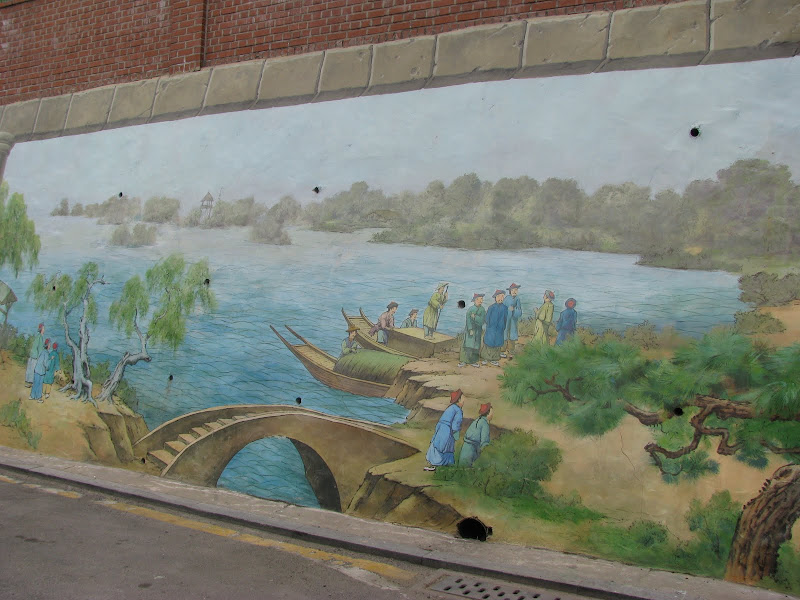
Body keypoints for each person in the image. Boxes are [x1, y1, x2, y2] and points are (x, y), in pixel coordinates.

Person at [424, 389, 464, 471]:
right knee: (445, 447)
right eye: (463, 399)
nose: (464, 401)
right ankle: (440, 465)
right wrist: (456, 434)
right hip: (447, 431)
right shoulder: (458, 410)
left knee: (437, 445)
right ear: (459, 400)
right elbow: (455, 426)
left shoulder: (450, 408)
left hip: (440, 428)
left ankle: (434, 464)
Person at [458, 403, 493, 467]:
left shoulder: (477, 420)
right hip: (472, 451)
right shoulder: (484, 424)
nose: (492, 415)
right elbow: (484, 442)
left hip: (465, 448)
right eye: (491, 413)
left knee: (462, 468)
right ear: (487, 414)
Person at [458, 294, 485, 368]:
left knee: (476, 346)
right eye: (478, 299)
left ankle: (473, 361)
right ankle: (464, 360)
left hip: (478, 330)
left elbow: (482, 321)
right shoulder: (471, 309)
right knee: (467, 345)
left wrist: (475, 317)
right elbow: (468, 320)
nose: (480, 301)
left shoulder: (482, 310)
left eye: (481, 299)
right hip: (470, 330)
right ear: (475, 300)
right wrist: (470, 329)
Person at [481, 290, 507, 367]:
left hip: (499, 329)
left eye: (502, 296)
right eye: (498, 296)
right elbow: (487, 318)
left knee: (497, 344)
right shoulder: (491, 307)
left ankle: (494, 359)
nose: (500, 298)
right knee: (489, 342)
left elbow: (505, 319)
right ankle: (486, 358)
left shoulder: (505, 308)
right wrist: (490, 325)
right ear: (495, 298)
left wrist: (503, 326)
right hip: (491, 329)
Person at [502, 283, 522, 358]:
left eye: (516, 290)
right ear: (510, 291)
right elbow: (503, 308)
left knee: (512, 334)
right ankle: (502, 350)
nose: (514, 291)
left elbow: (519, 311)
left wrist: (514, 310)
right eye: (512, 290)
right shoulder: (507, 298)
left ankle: (511, 350)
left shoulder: (517, 299)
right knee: (504, 333)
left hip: (513, 320)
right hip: (506, 319)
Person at [25, 323, 45, 387]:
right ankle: (30, 383)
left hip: (32, 355)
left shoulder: (37, 336)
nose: (44, 330)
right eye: (43, 328)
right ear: (41, 329)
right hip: (35, 356)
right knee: (33, 370)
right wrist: (40, 357)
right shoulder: (40, 337)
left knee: (29, 368)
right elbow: (40, 348)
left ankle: (27, 381)